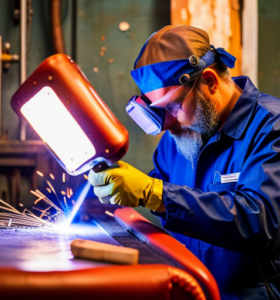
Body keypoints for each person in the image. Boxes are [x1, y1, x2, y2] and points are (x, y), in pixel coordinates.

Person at [88, 25, 280, 299]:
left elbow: (262, 223)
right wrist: (124, 187)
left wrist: (155, 194)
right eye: (160, 111)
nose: (169, 124)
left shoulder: (270, 127)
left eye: (173, 107)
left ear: (210, 82)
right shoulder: (176, 139)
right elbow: (163, 195)